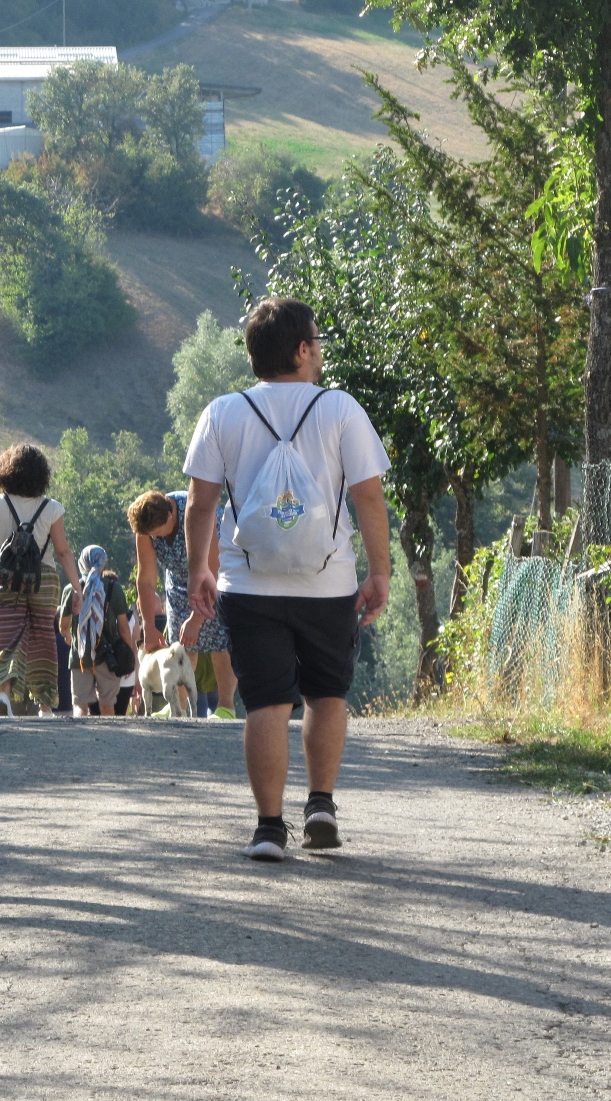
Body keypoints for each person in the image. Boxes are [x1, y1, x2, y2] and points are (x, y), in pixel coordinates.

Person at [182, 296, 392, 862]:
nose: (320, 351)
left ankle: (269, 829)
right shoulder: (341, 409)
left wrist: (201, 567)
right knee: (327, 694)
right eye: (317, 342)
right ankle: (320, 803)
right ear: (302, 350)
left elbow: (201, 503)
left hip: (249, 586)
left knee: (266, 704)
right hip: (328, 583)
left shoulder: (222, 412)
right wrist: (380, 571)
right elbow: (367, 496)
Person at [0, 444, 82, 716]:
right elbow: (62, 551)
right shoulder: (52, 509)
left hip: (4, 579)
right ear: (42, 475)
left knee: (4, 635)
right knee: (42, 638)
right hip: (44, 578)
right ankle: (45, 705)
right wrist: (77, 587)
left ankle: (3, 695)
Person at [128, 489, 238, 718]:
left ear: (170, 516)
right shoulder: (146, 528)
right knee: (181, 643)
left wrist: (197, 619)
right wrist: (148, 625)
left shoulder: (196, 516)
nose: (155, 538)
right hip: (179, 580)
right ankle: (177, 704)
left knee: (219, 640)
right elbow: (146, 580)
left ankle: (226, 707)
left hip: (219, 574)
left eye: (158, 533)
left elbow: (213, 571)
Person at [57, 545, 133, 716]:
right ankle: (107, 741)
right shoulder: (114, 588)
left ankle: (81, 741)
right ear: (102, 564)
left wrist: (69, 636)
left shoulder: (71, 590)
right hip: (108, 657)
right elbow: (123, 628)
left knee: (80, 705)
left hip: (80, 657)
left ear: (82, 563)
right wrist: (130, 656)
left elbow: (63, 625)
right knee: (107, 705)